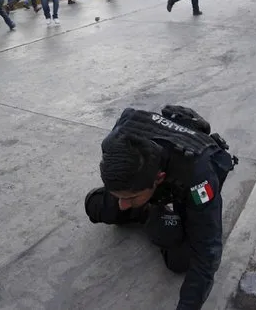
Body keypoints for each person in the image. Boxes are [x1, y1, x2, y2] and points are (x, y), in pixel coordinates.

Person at [85, 106, 237, 310]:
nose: (123, 204)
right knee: (95, 206)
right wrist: (126, 195)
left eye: (130, 198)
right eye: (119, 196)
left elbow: (207, 254)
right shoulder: (114, 142)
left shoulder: (198, 178)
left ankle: (154, 214)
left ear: (159, 179)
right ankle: (145, 211)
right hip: (149, 180)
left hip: (182, 187)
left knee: (181, 260)